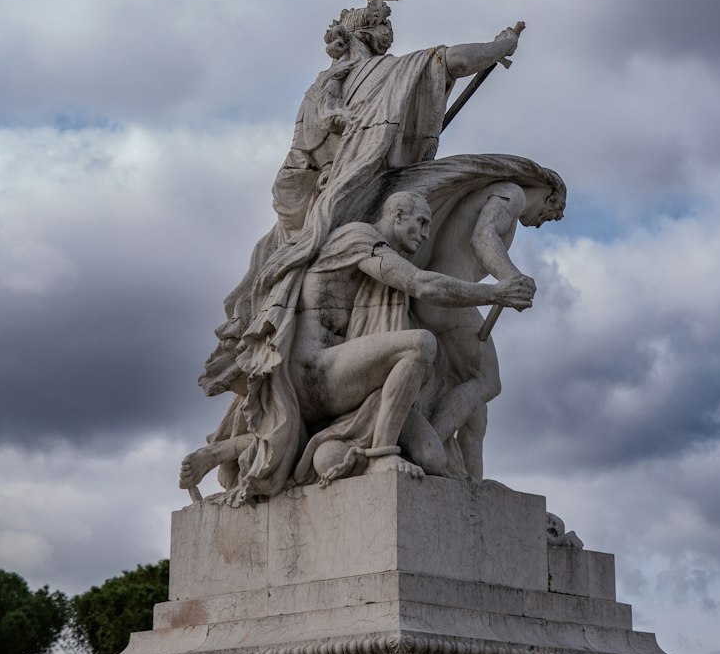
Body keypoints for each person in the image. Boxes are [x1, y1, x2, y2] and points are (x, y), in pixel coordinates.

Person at [179, 191, 534, 496]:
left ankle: (230, 453)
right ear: (396, 215)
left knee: (431, 457)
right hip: (313, 371)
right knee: (419, 344)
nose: (425, 235)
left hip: (341, 376)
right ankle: (381, 454)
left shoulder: (377, 255)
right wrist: (494, 291)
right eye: (421, 223)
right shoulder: (357, 238)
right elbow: (420, 284)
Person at [413, 173, 566, 479]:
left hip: (443, 302)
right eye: (551, 216)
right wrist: (510, 278)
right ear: (550, 197)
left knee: (475, 409)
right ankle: (427, 449)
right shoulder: (511, 194)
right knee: (488, 381)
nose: (539, 224)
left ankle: (472, 484)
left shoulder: (500, 195)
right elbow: (483, 237)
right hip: (451, 300)